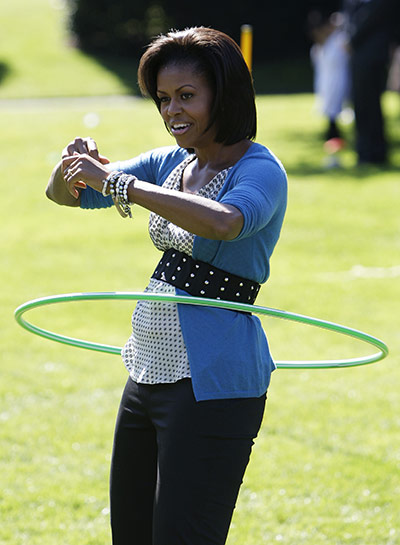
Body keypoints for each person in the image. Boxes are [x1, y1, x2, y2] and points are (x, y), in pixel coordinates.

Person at [46, 27, 287, 545]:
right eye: (162, 99)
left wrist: (124, 184)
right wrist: (70, 163)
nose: (172, 111)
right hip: (147, 372)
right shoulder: (171, 163)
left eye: (186, 96)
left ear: (223, 94)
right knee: (130, 533)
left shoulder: (261, 169)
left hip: (213, 384)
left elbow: (225, 222)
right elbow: (67, 194)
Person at [343, 0, 398, 165]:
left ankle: (374, 152)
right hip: (361, 56)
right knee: (361, 104)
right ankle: (365, 151)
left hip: (372, 55)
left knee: (370, 104)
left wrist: (351, 40)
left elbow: (372, 18)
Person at [308, 10, 351, 142]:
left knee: (338, 107)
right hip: (326, 82)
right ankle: (333, 134)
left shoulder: (339, 41)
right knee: (329, 109)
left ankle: (334, 135)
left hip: (340, 80)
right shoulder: (317, 49)